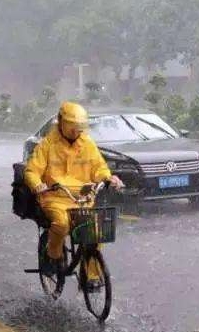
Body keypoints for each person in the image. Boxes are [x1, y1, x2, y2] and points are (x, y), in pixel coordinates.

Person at [24, 101, 124, 288]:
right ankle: (52, 255)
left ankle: (91, 277)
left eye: (79, 127)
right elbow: (31, 171)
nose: (76, 131)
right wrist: (37, 185)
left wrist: (108, 178)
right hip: (55, 197)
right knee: (61, 224)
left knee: (94, 233)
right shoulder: (47, 144)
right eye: (72, 126)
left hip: (83, 198)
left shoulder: (87, 143)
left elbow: (99, 167)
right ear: (61, 122)